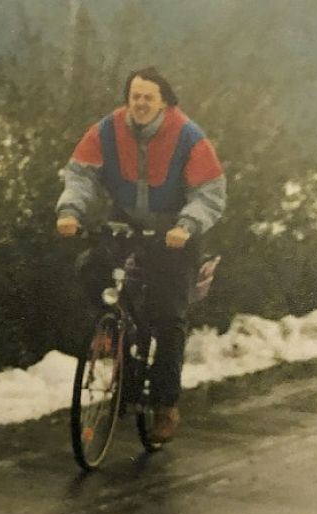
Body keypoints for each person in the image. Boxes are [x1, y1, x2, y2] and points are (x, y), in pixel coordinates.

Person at [55, 66, 226, 444]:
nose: (141, 103)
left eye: (149, 97)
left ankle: (166, 405)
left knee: (168, 318)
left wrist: (186, 225)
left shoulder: (188, 135)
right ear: (127, 99)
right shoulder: (107, 130)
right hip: (127, 221)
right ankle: (116, 337)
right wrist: (70, 211)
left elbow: (209, 191)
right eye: (135, 96)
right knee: (92, 269)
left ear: (164, 101)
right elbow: (80, 173)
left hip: (175, 232)